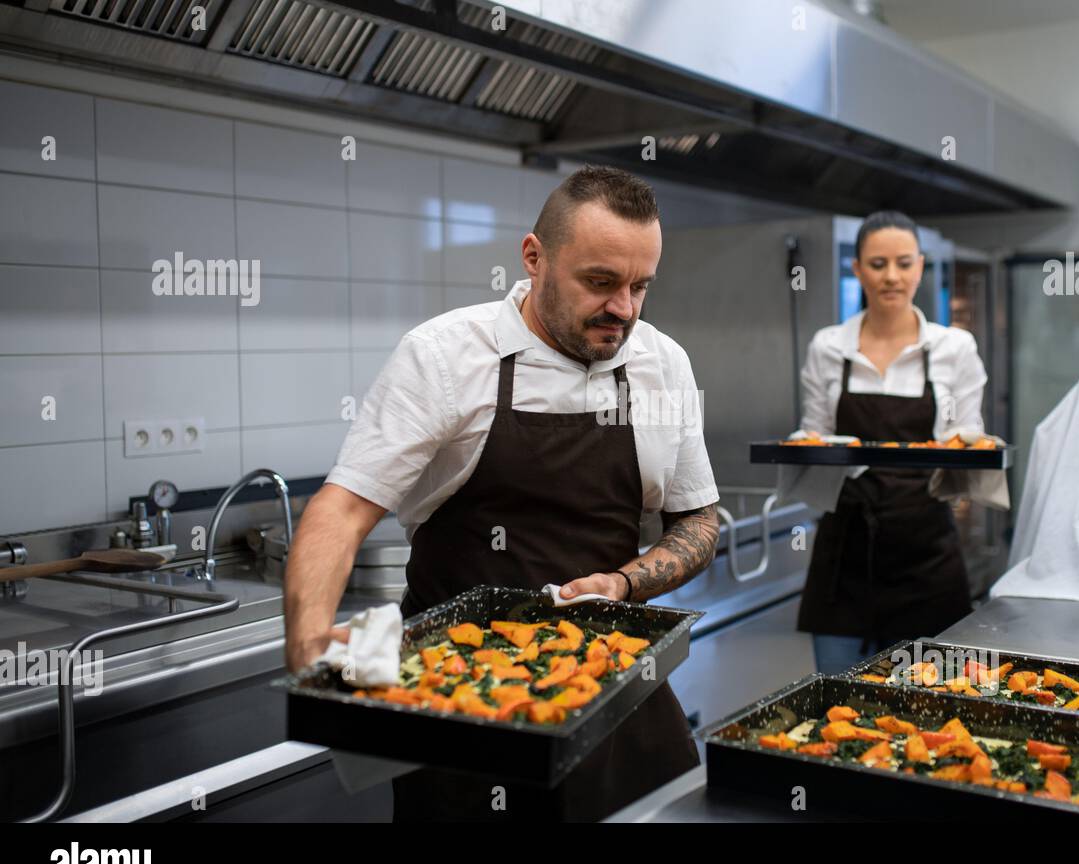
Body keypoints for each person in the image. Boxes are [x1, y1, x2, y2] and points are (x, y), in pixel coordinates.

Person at [282, 165, 719, 820]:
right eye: (600, 282)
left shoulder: (663, 364)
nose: (623, 310)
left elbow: (699, 521)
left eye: (640, 286)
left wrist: (624, 584)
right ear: (534, 257)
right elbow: (341, 510)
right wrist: (309, 639)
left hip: (614, 682)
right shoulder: (445, 357)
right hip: (464, 700)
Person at [797, 211, 988, 674]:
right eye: (877, 264)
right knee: (838, 705)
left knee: (934, 709)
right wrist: (802, 444)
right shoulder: (829, 346)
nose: (891, 276)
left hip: (927, 557)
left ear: (920, 267)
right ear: (858, 269)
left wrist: (971, 444)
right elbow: (815, 434)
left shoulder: (953, 349)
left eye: (903, 263)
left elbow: (969, 439)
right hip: (844, 553)